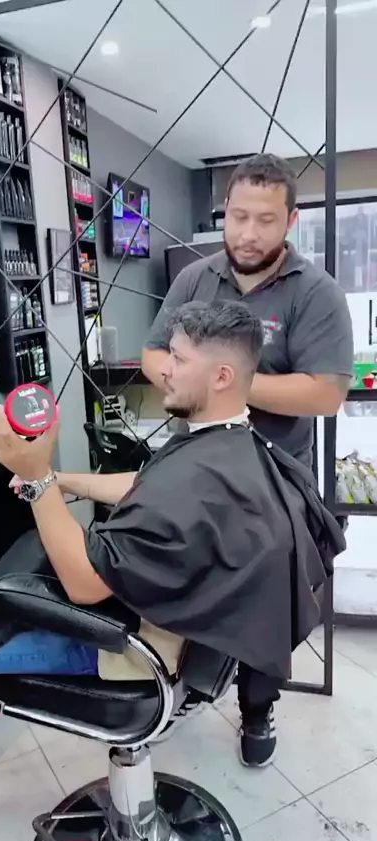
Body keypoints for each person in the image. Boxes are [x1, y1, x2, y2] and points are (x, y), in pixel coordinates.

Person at [0, 302, 345, 785]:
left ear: (221, 376)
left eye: (178, 359)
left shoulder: (198, 477)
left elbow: (84, 585)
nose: (164, 370)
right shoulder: (231, 445)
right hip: (171, 622)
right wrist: (66, 481)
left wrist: (37, 478)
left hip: (128, 649)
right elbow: (150, 484)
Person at [141, 154, 354, 767]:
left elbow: (325, 393)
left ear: (290, 221)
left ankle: (258, 706)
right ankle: (176, 682)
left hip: (272, 480)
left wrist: (226, 383)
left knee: (267, 600)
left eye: (265, 220)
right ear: (225, 213)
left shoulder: (315, 293)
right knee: (179, 573)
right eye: (238, 217)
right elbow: (154, 355)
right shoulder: (195, 280)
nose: (248, 233)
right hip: (194, 469)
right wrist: (194, 378)